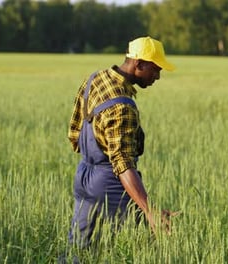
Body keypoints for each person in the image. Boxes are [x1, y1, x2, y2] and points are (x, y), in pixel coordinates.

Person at [67, 36, 177, 248]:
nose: (158, 76)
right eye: (155, 69)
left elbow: (75, 131)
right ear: (139, 64)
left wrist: (93, 164)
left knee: (79, 251)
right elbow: (123, 164)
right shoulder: (123, 107)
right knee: (144, 246)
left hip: (84, 176)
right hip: (111, 183)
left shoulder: (95, 79)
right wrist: (149, 209)